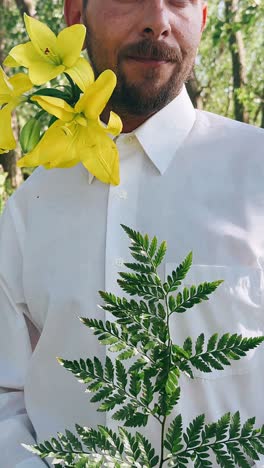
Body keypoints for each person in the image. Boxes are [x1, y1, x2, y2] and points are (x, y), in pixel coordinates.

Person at [0, 0, 264, 466]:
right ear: (75, 18)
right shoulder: (27, 212)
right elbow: (6, 391)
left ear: (202, 20)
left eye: (179, 1)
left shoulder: (257, 174)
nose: (158, 20)